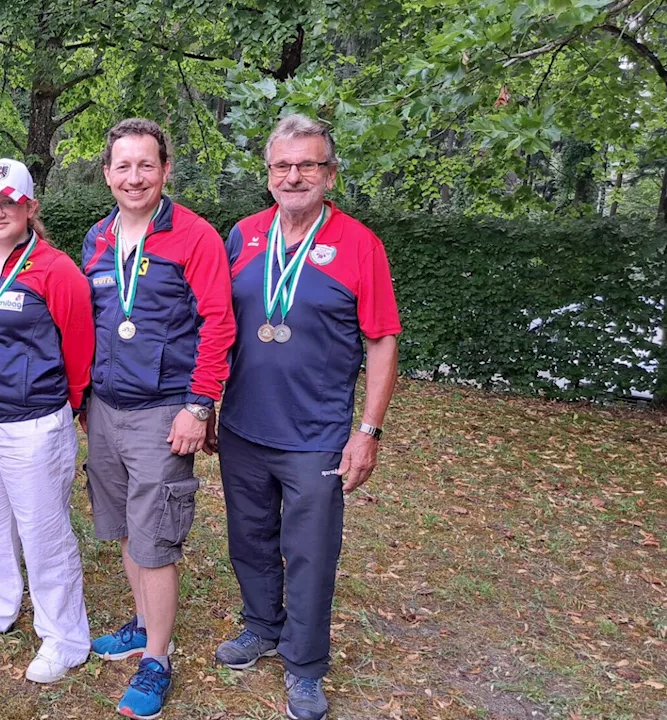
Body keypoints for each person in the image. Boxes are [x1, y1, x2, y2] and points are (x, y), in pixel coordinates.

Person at [211, 114, 401, 720]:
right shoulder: (241, 236)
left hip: (316, 436)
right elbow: (216, 326)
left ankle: (305, 665)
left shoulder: (359, 245)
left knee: (312, 552)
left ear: (330, 174)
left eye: (308, 164)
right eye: (283, 165)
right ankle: (262, 626)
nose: (295, 176)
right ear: (268, 174)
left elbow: (382, 340)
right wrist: (207, 402)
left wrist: (366, 431)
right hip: (242, 425)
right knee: (250, 538)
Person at [80, 118, 235, 718]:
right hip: (106, 408)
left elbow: (218, 323)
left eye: (146, 165)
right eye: (123, 166)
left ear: (165, 170)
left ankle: (158, 660)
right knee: (124, 528)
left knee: (156, 539)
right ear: (107, 174)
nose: (134, 177)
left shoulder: (194, 237)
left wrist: (199, 406)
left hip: (164, 412)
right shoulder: (96, 238)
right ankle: (143, 625)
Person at [0, 158, 95, 684]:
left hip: (33, 421)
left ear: (29, 207)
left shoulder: (56, 269)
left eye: (9, 202)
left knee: (44, 530)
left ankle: (65, 637)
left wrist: (69, 405)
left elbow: (79, 346)